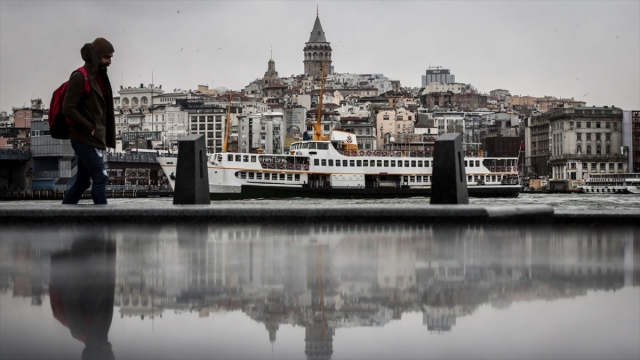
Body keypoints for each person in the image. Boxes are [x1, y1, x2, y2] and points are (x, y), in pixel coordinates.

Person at [62, 38, 116, 205]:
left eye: (111, 57)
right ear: (97, 56)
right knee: (100, 177)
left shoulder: (100, 77)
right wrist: (89, 127)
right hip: (84, 137)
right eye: (107, 57)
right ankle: (103, 221)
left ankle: (62, 215)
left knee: (83, 182)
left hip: (95, 138)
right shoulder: (80, 77)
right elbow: (68, 108)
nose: (110, 62)